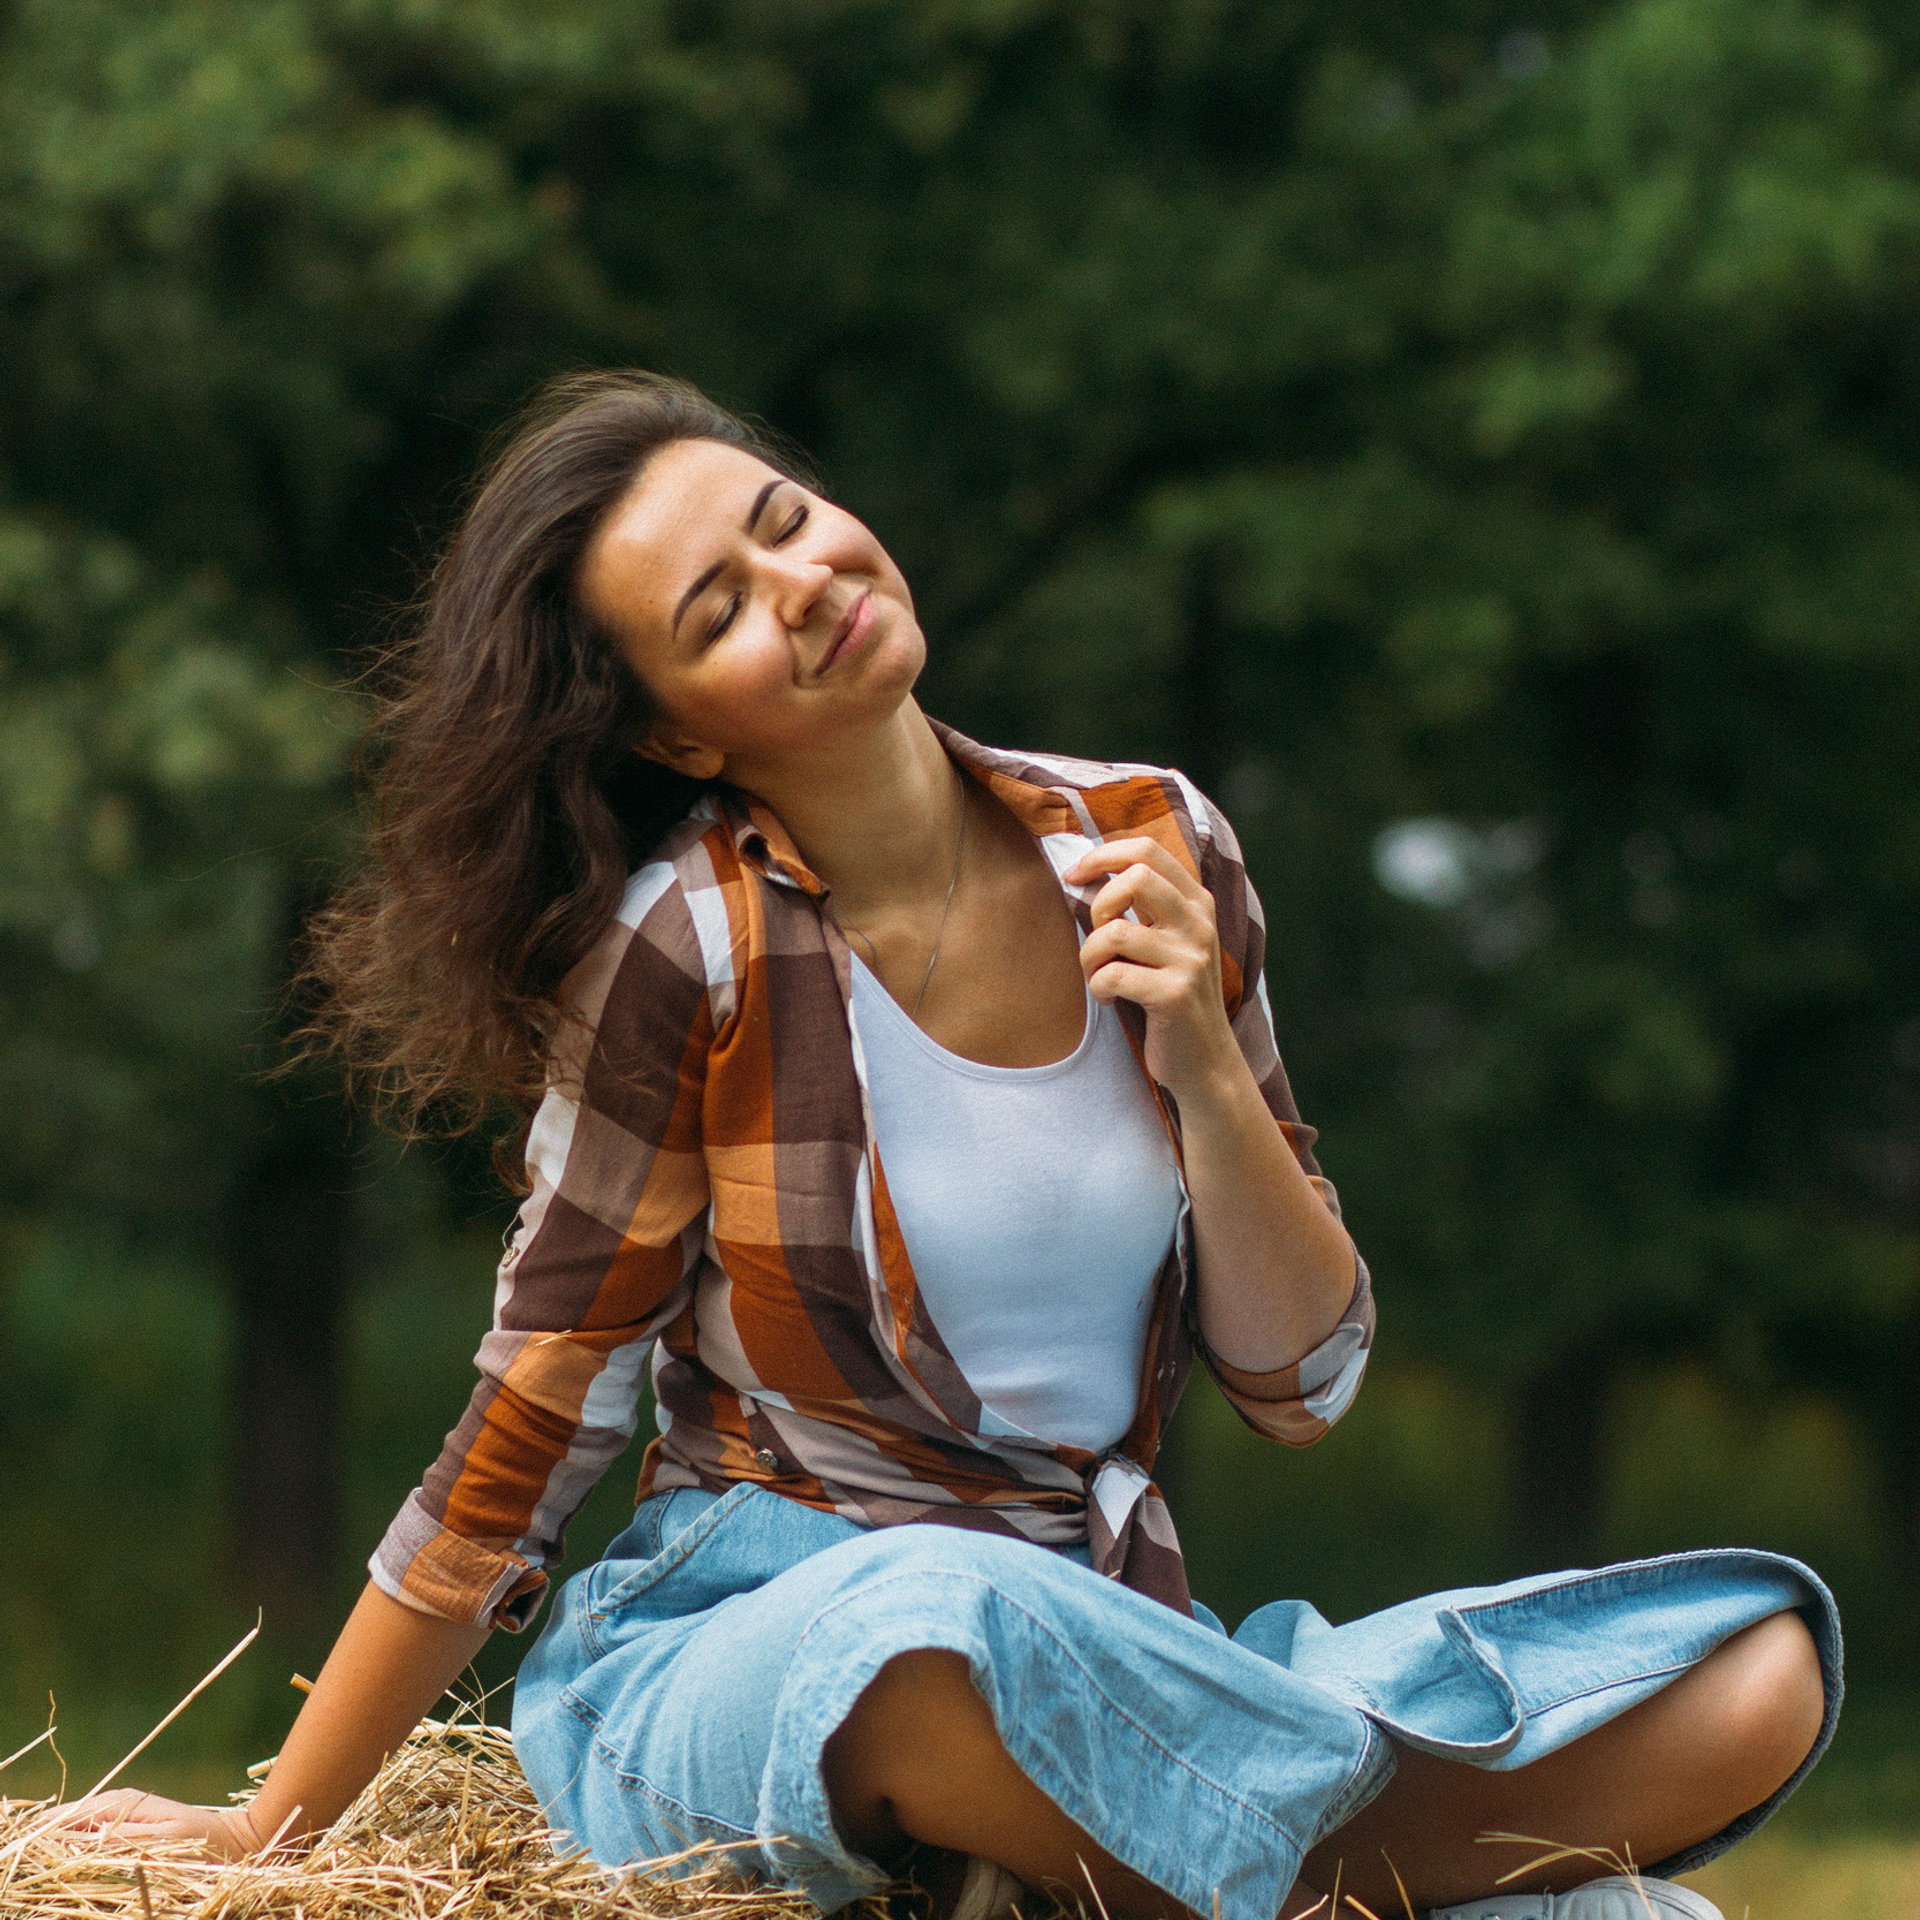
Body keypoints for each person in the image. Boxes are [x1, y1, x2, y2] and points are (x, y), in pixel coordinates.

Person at [64, 373, 1838, 1920]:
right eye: (724, 605)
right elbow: (533, 1423)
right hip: (773, 1660)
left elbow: (1304, 1383)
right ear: (686, 727)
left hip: (1118, 1654)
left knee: (1758, 1654)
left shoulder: (1155, 838)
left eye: (787, 521)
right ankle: (1359, 1872)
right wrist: (270, 1837)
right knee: (930, 1621)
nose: (804, 581)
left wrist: (1205, 1064)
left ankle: (1265, 1871)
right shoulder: (690, 954)